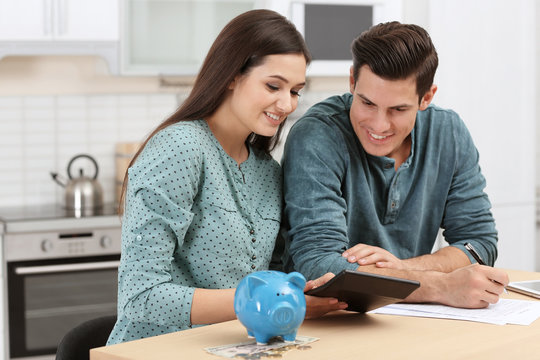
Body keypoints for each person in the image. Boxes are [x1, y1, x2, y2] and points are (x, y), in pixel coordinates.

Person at [107, 9, 346, 345]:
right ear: (232, 75)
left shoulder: (267, 170)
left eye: (295, 91)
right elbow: (141, 296)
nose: (287, 104)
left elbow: (271, 274)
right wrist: (256, 302)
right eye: (273, 85)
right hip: (155, 350)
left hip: (231, 349)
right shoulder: (181, 148)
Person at [281, 21, 509, 309]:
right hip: (327, 322)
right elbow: (318, 266)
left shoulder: (448, 131)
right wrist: (438, 285)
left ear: (426, 97)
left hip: (409, 317)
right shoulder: (317, 135)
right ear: (352, 81)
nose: (378, 124)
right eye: (367, 103)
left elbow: (479, 242)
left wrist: (403, 270)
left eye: (398, 109)